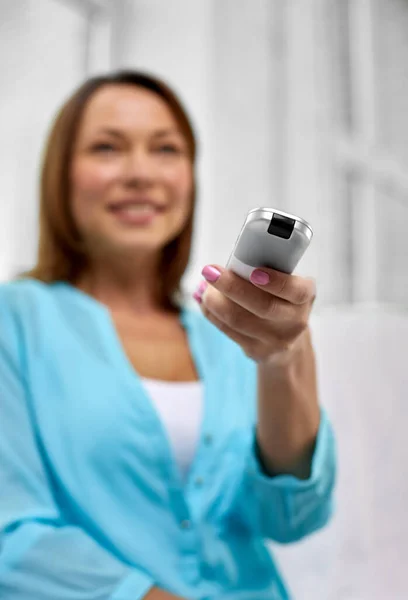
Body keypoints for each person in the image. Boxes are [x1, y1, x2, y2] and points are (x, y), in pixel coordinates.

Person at [0, 70, 336, 600]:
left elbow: (290, 517)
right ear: (60, 175)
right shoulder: (14, 320)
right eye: (107, 148)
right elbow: (11, 537)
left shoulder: (226, 324)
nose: (140, 174)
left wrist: (282, 359)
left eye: (166, 149)